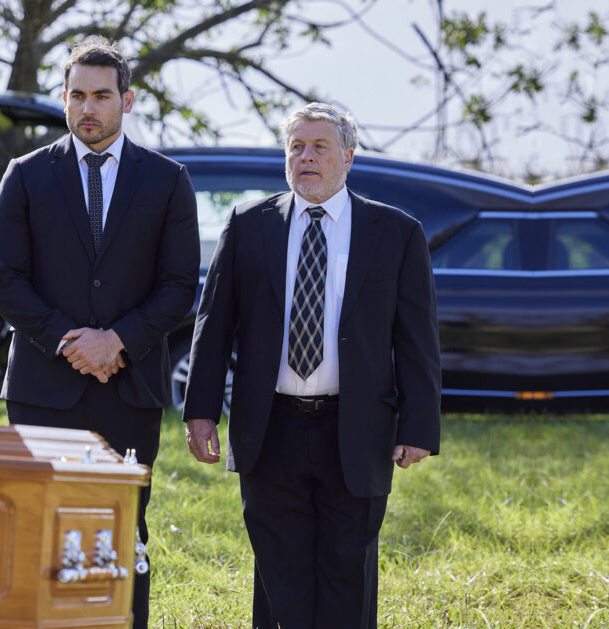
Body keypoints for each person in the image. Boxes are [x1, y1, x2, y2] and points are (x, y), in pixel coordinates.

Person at [183, 102, 441, 628]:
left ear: (348, 157)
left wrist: (419, 426)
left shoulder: (396, 232)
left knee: (349, 569)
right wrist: (201, 411)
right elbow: (213, 324)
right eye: (296, 147)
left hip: (356, 426)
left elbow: (417, 341)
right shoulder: (248, 224)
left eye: (320, 147)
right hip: (270, 425)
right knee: (280, 570)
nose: (306, 157)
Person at [0, 36, 200, 629]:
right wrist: (71, 341)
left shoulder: (167, 180)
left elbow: (181, 285)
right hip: (41, 388)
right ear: (63, 99)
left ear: (127, 100)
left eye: (102, 96)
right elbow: (2, 280)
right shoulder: (25, 176)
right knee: (40, 528)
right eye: (77, 95)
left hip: (130, 389)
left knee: (124, 530)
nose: (88, 108)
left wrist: (118, 340)